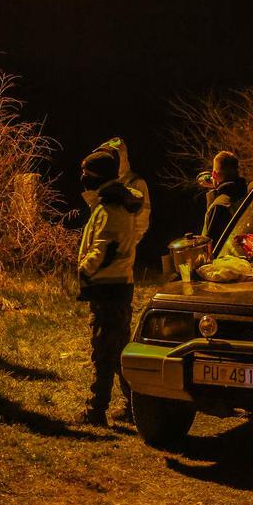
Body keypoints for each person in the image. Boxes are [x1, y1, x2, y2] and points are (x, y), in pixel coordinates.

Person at [77, 148, 143, 427]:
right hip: (118, 285)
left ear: (98, 177)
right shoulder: (116, 205)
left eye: (87, 174)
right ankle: (135, 407)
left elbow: (102, 249)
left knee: (103, 353)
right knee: (117, 352)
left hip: (107, 287)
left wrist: (83, 271)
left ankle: (96, 410)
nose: (84, 178)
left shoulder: (109, 210)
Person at [93, 137, 150, 246]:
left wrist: (125, 245)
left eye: (110, 156)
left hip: (121, 248)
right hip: (103, 247)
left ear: (120, 157)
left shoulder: (136, 183)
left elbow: (142, 222)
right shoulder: (104, 184)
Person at [201, 151, 248, 247]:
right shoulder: (248, 195)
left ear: (214, 174)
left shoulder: (219, 206)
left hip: (228, 255)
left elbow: (210, 244)